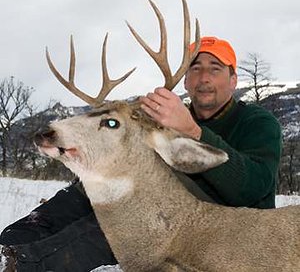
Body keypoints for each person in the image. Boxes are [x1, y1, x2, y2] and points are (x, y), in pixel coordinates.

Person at [0, 36, 282, 271]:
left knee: (119, 225)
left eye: (216, 68)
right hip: (170, 219)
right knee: (77, 198)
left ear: (234, 80)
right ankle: (10, 248)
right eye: (195, 68)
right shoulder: (166, 117)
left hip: (233, 238)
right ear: (185, 81)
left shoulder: (257, 123)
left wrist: (193, 131)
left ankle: (19, 266)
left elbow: (254, 188)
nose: (204, 77)